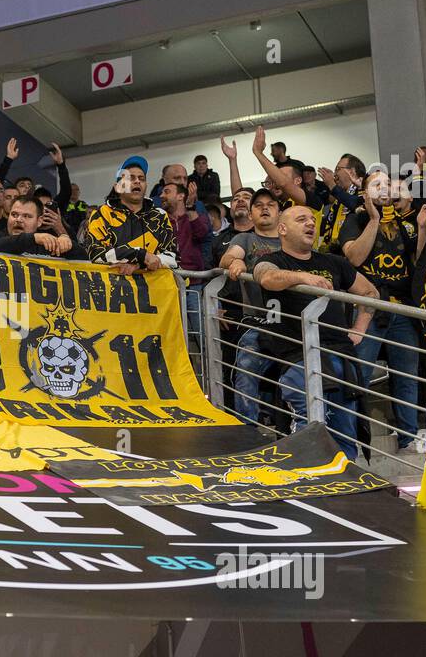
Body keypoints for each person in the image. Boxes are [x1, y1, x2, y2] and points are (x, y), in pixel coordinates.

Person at [254, 205, 379, 461]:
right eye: (301, 220)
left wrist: (360, 327)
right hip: (297, 356)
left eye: (312, 219)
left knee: (345, 426)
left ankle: (344, 481)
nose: (311, 223)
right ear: (283, 229)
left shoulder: (335, 262)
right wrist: (302, 277)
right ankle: (305, 478)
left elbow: (371, 293)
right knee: (304, 423)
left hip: (339, 354)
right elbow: (266, 278)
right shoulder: (273, 261)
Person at [338, 171, 426, 449]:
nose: (385, 188)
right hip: (368, 308)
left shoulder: (404, 223)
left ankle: (409, 439)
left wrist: (423, 228)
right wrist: (375, 220)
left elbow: (418, 259)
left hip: (402, 309)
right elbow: (354, 256)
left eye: (387, 184)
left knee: (407, 378)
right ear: (365, 192)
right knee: (360, 375)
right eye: (376, 184)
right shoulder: (356, 219)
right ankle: (351, 438)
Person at [218, 189, 282, 424]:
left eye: (271, 205)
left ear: (280, 212)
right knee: (245, 374)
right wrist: (235, 260)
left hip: (293, 324)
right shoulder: (244, 239)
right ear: (252, 215)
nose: (265, 208)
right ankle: (249, 432)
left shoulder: (290, 239)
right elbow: (226, 258)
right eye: (259, 205)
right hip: (257, 323)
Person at [80, 155, 176, 274]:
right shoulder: (102, 214)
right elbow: (96, 253)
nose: (137, 181)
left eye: (141, 178)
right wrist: (140, 255)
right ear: (118, 187)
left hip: (155, 291)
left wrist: (139, 265)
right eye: (131, 178)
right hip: (111, 289)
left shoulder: (160, 216)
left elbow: (173, 257)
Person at [0, 195, 73, 257]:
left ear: (39, 221)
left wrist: (64, 236)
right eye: (14, 215)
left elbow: (83, 259)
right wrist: (33, 238)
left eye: (27, 216)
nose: (18, 220)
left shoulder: (46, 243)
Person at [159, 180, 207, 271]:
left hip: (194, 278)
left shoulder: (196, 217)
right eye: (161, 193)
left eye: (167, 192)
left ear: (180, 196)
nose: (161, 196)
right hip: (168, 277)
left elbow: (201, 235)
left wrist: (190, 207)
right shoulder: (160, 221)